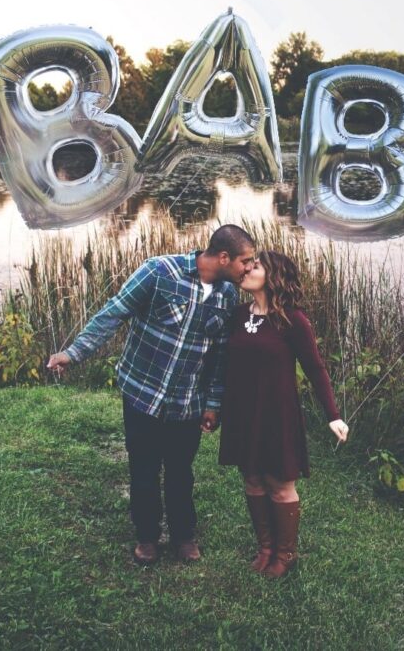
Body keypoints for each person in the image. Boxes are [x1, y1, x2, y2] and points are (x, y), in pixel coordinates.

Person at [46, 225, 256, 565]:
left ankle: (184, 536)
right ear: (223, 257)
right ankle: (146, 537)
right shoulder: (158, 272)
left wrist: (214, 404)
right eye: (246, 261)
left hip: (186, 403)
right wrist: (74, 353)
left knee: (180, 472)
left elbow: (219, 358)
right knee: (143, 468)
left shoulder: (228, 297)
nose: (249, 268)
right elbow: (114, 313)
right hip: (142, 393)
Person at [216, 250, 349, 578]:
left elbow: (316, 369)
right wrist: (214, 408)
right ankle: (265, 548)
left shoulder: (293, 320)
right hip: (242, 412)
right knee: (252, 478)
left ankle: (285, 554)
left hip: (277, 413)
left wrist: (333, 415)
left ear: (273, 276)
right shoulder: (237, 314)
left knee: (279, 482)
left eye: (255, 265)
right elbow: (224, 365)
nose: (246, 269)